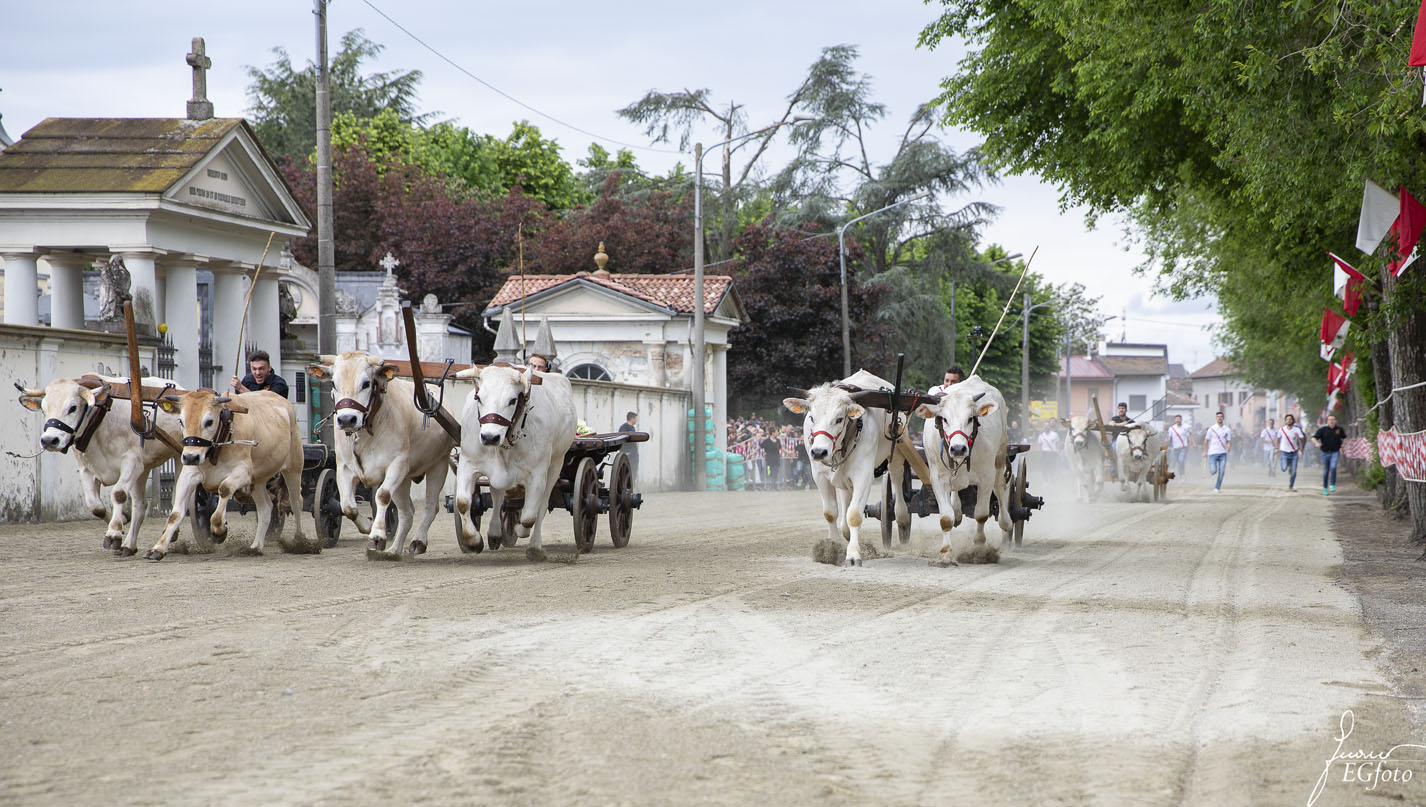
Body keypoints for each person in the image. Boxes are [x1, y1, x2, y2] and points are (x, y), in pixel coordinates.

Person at [1313, 414, 1347, 495]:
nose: (1331, 421)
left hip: (1335, 452)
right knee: (1325, 471)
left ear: (1335, 421)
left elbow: (1345, 437)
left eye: (1333, 419)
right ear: (1327, 421)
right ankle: (1325, 488)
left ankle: (1332, 484)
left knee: (1333, 466)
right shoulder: (1323, 430)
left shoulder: (1339, 429)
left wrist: (1343, 444)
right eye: (1329, 420)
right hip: (1325, 453)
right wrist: (1316, 443)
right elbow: (1313, 437)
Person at [1203, 411, 1232, 492]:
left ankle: (1217, 487)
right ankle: (1212, 470)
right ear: (1216, 418)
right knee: (1213, 471)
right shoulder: (1211, 429)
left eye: (1221, 416)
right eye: (1218, 416)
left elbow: (1228, 440)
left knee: (1222, 471)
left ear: (1223, 418)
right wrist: (1205, 452)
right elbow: (1206, 441)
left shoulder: (1227, 429)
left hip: (1223, 453)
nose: (1220, 418)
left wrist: (1229, 446)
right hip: (1212, 452)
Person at [1277, 413, 1305, 491]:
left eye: (1290, 419)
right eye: (1287, 419)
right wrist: (1276, 448)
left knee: (1294, 471)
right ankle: (1287, 464)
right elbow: (1277, 439)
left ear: (1293, 421)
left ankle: (1290, 486)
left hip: (1294, 453)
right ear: (1285, 421)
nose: (1289, 421)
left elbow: (1302, 440)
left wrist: (1298, 437)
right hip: (1284, 452)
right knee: (1283, 468)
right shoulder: (1281, 429)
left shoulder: (1297, 430)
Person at [617, 411, 639, 481]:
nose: (636, 420)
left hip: (633, 454)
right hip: (627, 454)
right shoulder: (624, 427)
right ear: (632, 419)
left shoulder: (632, 427)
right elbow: (621, 440)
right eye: (635, 418)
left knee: (633, 472)